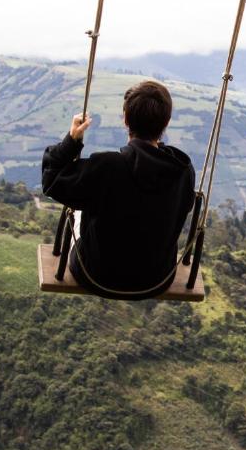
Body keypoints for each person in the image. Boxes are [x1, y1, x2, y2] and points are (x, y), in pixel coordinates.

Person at [42, 81, 196, 299]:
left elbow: (52, 180)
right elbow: (185, 205)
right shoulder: (182, 170)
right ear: (167, 122)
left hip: (96, 277)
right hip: (156, 280)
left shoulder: (106, 166)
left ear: (125, 119)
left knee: (77, 204)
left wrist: (71, 141)